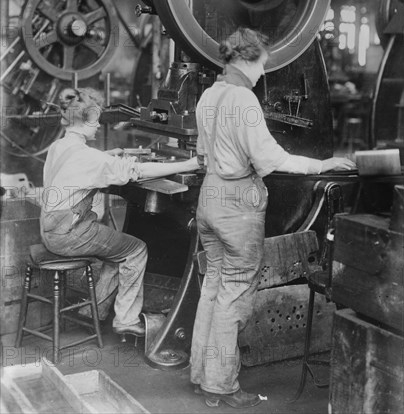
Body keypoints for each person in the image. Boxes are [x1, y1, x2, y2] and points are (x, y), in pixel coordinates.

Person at [190, 27, 356, 408]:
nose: (263, 73)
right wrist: (323, 163)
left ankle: (203, 376)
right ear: (247, 59)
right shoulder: (244, 100)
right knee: (235, 296)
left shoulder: (208, 96)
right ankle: (223, 386)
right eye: (262, 64)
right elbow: (271, 160)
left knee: (213, 288)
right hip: (236, 205)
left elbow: (202, 156)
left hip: (209, 200)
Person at [40, 87, 199, 338]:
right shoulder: (89, 158)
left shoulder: (59, 147)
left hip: (51, 229)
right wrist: (189, 164)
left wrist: (106, 157)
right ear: (86, 121)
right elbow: (138, 172)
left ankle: (95, 311)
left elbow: (79, 166)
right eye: (97, 120)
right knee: (135, 250)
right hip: (70, 234)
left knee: (117, 250)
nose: (99, 125)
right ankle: (126, 320)